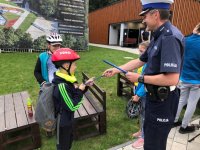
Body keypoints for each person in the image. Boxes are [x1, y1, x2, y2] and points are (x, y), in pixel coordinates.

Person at [103, 0, 184, 149]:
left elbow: (173, 78)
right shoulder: (157, 35)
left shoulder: (169, 38)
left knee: (155, 144)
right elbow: (141, 60)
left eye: (145, 15)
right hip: (154, 99)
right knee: (150, 141)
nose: (143, 19)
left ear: (155, 14)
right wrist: (117, 69)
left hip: (163, 102)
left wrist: (140, 78)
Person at [51, 48, 94, 150]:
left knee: (68, 143)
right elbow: (72, 105)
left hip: (67, 118)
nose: (75, 67)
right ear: (66, 66)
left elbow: (73, 94)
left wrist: (85, 86)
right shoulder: (62, 85)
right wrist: (80, 91)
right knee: (63, 146)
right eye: (74, 64)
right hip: (63, 123)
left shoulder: (66, 80)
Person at [173, 23, 200, 134]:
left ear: (195, 28)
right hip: (197, 80)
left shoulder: (186, 40)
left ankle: (174, 120)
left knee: (181, 100)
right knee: (192, 103)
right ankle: (184, 127)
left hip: (184, 77)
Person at [131, 41, 149, 149]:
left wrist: (138, 95)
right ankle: (141, 131)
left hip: (145, 94)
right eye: (139, 50)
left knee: (145, 116)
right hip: (139, 92)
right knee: (141, 114)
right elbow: (140, 76)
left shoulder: (150, 63)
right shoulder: (144, 62)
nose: (139, 53)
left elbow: (146, 82)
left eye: (142, 51)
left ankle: (144, 137)